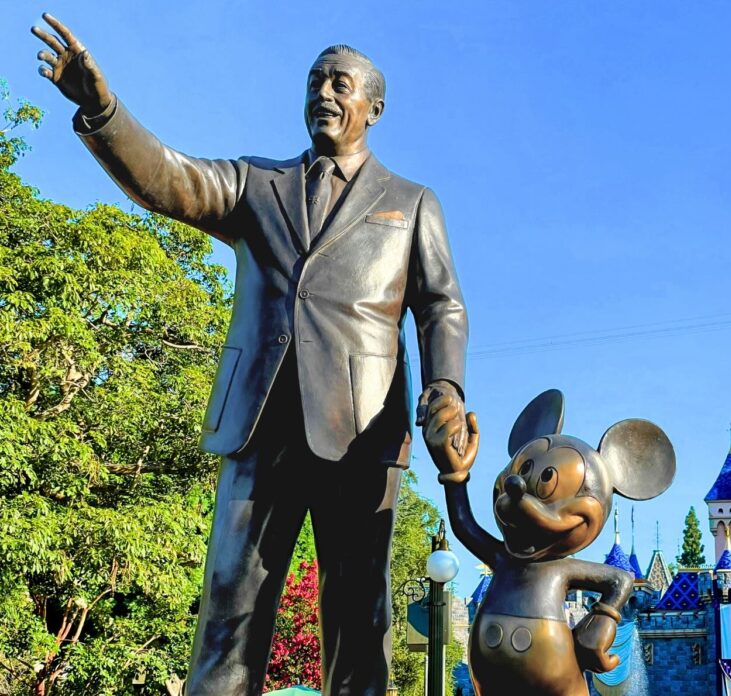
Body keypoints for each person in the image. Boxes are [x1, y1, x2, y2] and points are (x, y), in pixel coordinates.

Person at [32, 13, 469, 696]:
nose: (325, 92)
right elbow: (168, 178)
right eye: (315, 81)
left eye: (341, 83)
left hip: (361, 434)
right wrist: (103, 109)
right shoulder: (253, 183)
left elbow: (441, 304)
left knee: (360, 623)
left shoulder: (411, 203)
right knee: (229, 614)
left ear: (374, 108)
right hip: (258, 426)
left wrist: (445, 386)